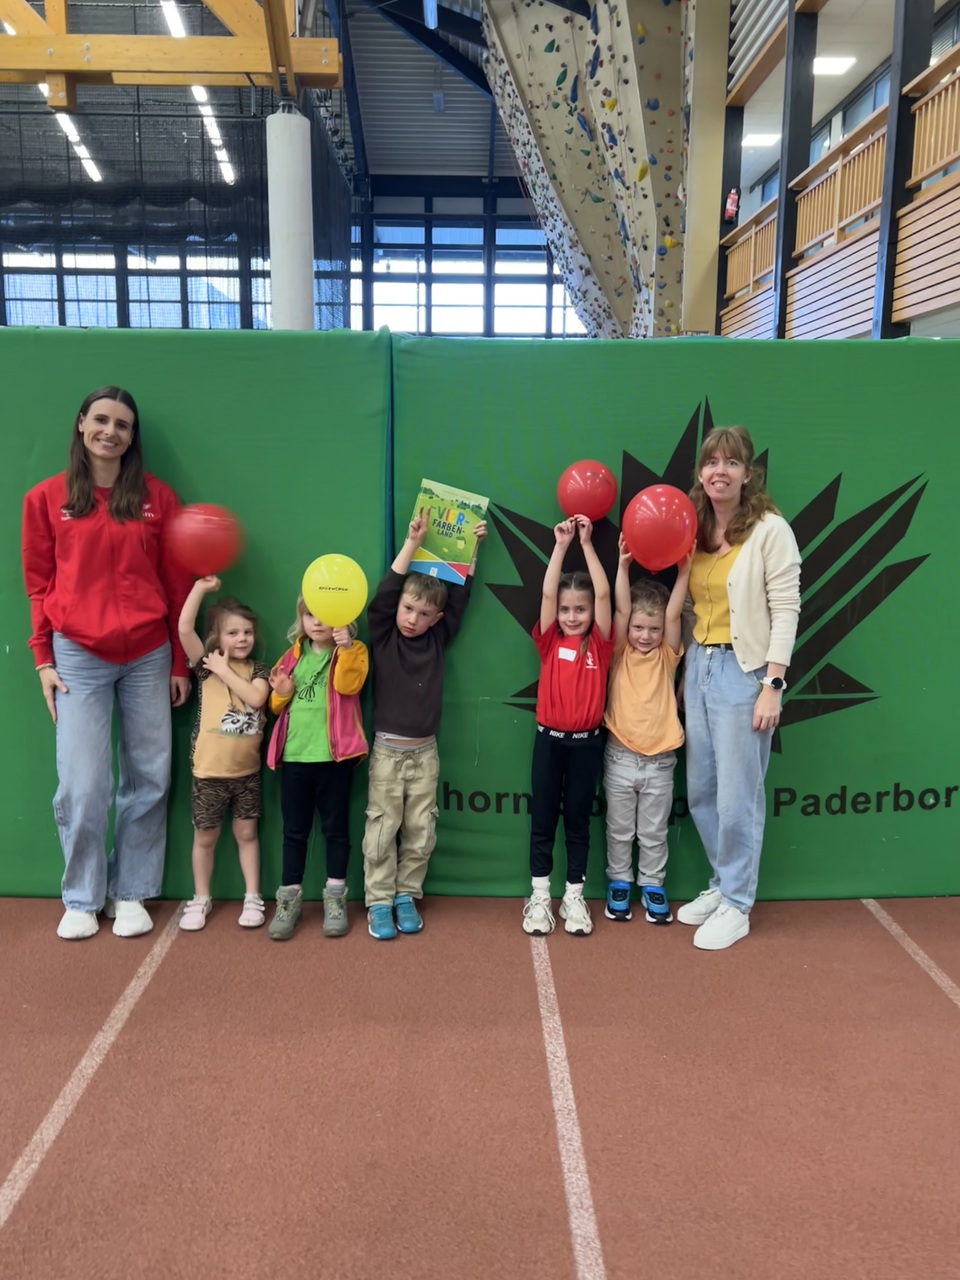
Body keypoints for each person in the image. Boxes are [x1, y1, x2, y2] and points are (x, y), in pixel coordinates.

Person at [20, 386, 192, 940]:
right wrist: (43, 657)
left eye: (122, 424)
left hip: (148, 652)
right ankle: (82, 895)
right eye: (101, 420)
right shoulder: (45, 500)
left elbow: (173, 581)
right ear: (81, 425)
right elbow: (38, 585)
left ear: (131, 437)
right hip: (78, 654)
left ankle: (131, 891)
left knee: (148, 775)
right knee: (82, 781)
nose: (111, 431)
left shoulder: (156, 499)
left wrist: (179, 663)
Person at [677, 425, 801, 951]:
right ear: (701, 473)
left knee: (736, 799)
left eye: (731, 463)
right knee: (703, 789)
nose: (719, 472)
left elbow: (786, 609)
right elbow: (689, 602)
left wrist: (772, 684)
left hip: (745, 672)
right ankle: (721, 884)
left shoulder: (771, 530)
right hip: (699, 666)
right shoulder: (694, 526)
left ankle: (738, 904)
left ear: (748, 474)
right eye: (711, 463)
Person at [362, 513, 487, 940]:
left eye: (423, 613)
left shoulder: (437, 636)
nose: (412, 618)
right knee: (382, 829)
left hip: (424, 754)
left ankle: (404, 895)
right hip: (387, 753)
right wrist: (412, 545)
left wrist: (470, 551)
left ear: (437, 619)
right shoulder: (382, 635)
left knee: (420, 829)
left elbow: (460, 599)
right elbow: (382, 599)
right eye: (408, 609)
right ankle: (378, 901)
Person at [523, 515, 614, 938]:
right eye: (565, 609)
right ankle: (540, 895)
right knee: (543, 819)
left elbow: (605, 591)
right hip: (549, 743)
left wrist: (588, 545)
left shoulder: (601, 642)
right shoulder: (548, 640)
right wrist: (561, 546)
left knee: (577, 820)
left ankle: (573, 896)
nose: (572, 616)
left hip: (586, 747)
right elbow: (546, 591)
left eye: (580, 609)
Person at [266, 599, 369, 941]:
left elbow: (347, 686)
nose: (317, 622)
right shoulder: (291, 656)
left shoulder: (353, 652)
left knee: (335, 830)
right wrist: (281, 694)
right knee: (294, 832)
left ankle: (335, 897)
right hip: (295, 759)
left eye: (327, 615)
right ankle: (288, 900)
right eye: (310, 615)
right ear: (301, 618)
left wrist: (347, 648)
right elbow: (277, 703)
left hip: (333, 760)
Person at [602, 536, 691, 925]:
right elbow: (621, 609)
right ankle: (619, 881)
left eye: (652, 629)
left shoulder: (667, 658)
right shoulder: (619, 652)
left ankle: (652, 884)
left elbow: (674, 617)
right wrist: (622, 567)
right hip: (620, 755)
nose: (644, 635)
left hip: (660, 761)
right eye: (639, 627)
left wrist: (685, 572)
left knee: (653, 833)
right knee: (620, 831)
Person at [177, 578, 270, 932]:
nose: (242, 638)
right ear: (217, 638)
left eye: (247, 632)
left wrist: (224, 670)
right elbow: (184, 627)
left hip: (246, 774)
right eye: (233, 633)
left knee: (247, 835)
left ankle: (252, 896)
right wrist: (200, 588)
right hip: (209, 773)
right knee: (205, 837)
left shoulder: (258, 670)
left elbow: (257, 698)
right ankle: (201, 898)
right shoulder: (205, 668)